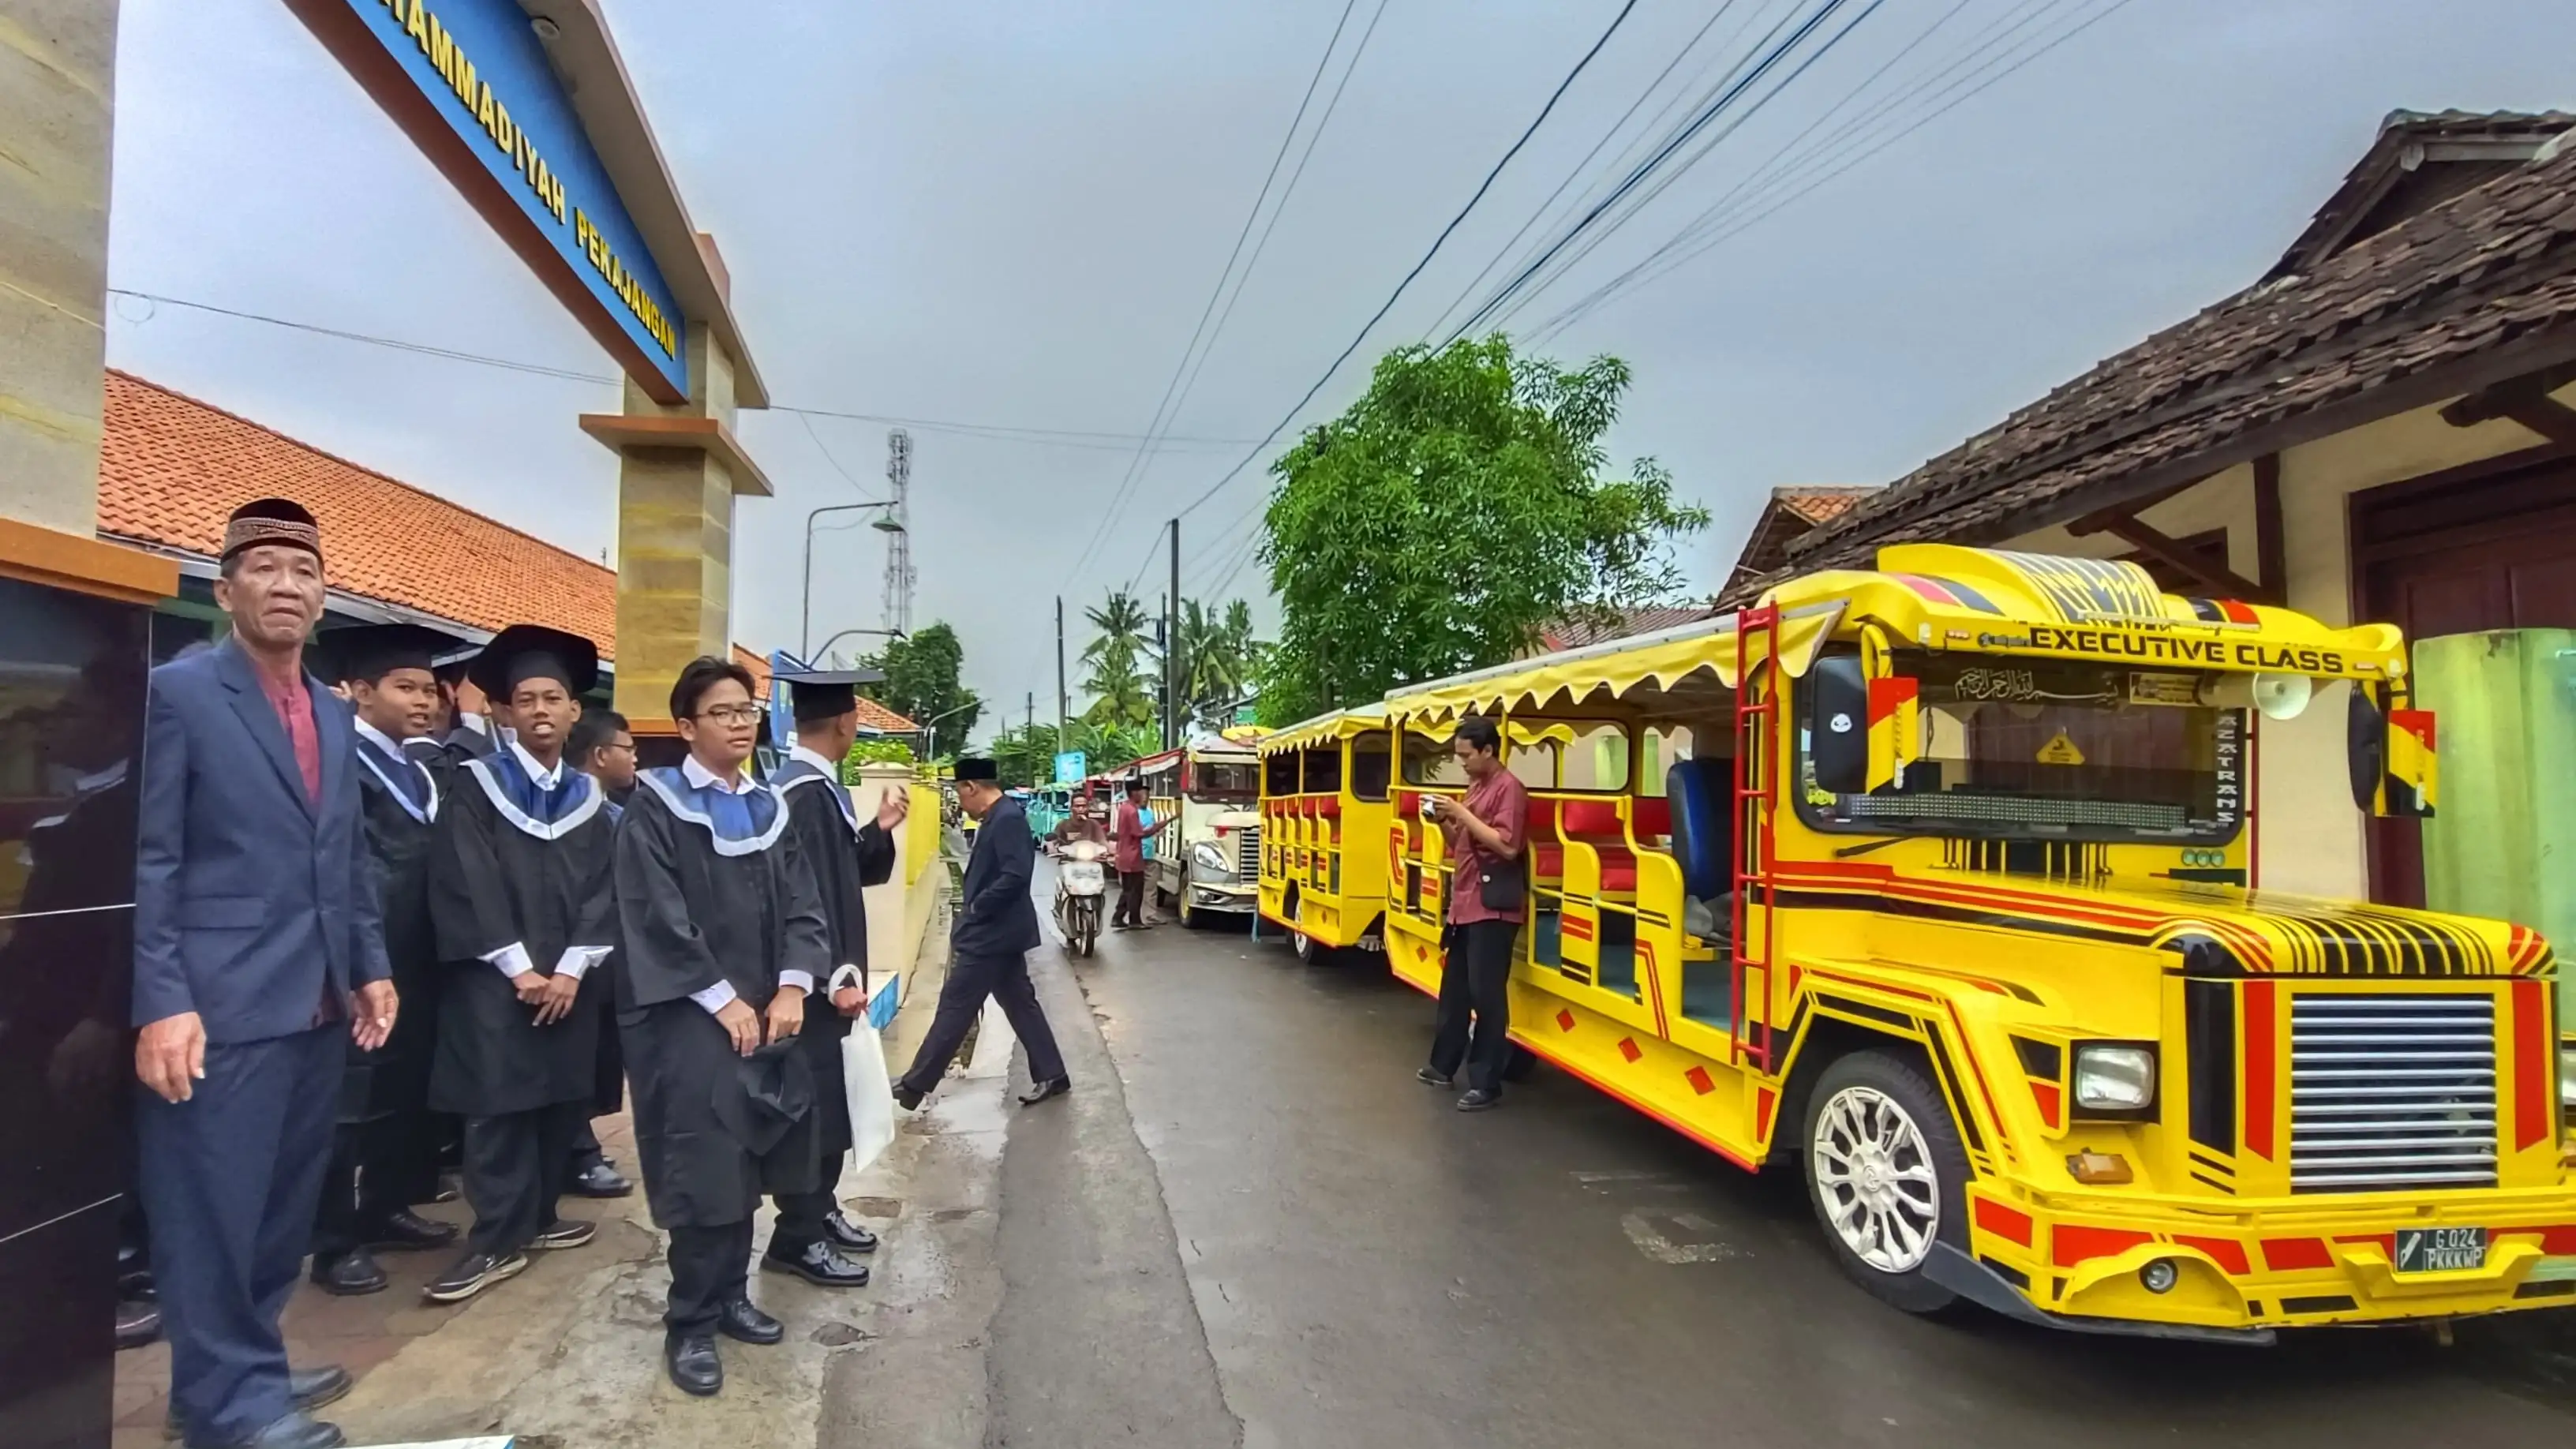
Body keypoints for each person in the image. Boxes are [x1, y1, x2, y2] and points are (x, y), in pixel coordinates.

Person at [133, 498, 397, 1449]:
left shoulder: (331, 711)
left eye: (304, 572)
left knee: (281, 1210)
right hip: (219, 1007)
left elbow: (346, 854)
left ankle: (243, 1370)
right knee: (213, 1214)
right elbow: (148, 861)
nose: (286, 586)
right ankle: (226, 1410)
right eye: (265, 569)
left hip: (317, 1001)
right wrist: (162, 1003)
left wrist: (369, 965)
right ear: (225, 589)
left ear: (323, 597)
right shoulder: (179, 693)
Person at [614, 656, 833, 1397]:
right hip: (689, 1020)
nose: (740, 724)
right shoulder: (656, 806)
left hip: (769, 1016)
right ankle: (691, 1321)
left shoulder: (769, 807)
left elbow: (805, 903)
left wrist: (794, 986)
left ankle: (733, 1296)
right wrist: (723, 1000)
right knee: (704, 1168)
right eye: (722, 712)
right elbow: (655, 915)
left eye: (747, 711)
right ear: (686, 727)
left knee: (751, 1160)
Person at [421, 626, 617, 1305]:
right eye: (526, 699)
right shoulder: (475, 786)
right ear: (505, 712)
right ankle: (496, 1239)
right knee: (498, 1106)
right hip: (495, 980)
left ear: (573, 712)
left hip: (570, 979)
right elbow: (465, 879)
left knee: (559, 1098)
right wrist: (521, 969)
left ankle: (538, 1217)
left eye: (552, 698)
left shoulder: (591, 798)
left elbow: (607, 888)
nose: (540, 710)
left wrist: (571, 969)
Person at [308, 627, 462, 1296]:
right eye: (406, 688)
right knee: (350, 1100)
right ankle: (333, 1241)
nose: (424, 701)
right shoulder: (340, 761)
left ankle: (384, 1207)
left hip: (416, 956)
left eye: (429, 689)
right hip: (360, 959)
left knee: (401, 1089)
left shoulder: (417, 769)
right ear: (361, 693)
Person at [764, 668, 908, 1288]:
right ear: (847, 724)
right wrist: (833, 980)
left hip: (826, 985)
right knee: (813, 1110)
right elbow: (809, 899)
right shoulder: (802, 795)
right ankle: (795, 1236)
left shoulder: (818, 790)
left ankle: (819, 1210)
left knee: (830, 1105)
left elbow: (846, 872)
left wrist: (879, 829)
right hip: (818, 989)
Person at [893, 758, 1069, 1111]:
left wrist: (977, 908)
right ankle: (1053, 1074)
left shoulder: (1007, 819)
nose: (961, 804)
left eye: (960, 794)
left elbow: (1016, 875)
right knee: (1020, 1004)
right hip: (1000, 933)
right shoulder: (998, 817)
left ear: (972, 787)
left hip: (992, 934)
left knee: (956, 1006)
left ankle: (915, 1086)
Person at [1418, 713, 1528, 1112]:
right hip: (1466, 902)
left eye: (1466, 755)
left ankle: (1486, 1082)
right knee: (1455, 991)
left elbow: (1508, 846)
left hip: (1493, 907)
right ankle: (1442, 1066)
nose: (1461, 762)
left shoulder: (1509, 789)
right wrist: (1443, 822)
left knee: (1487, 996)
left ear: (1488, 750)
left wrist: (1462, 814)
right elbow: (1461, 845)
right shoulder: (1477, 786)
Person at [560, 707, 639, 1201]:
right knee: (577, 1056)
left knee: (596, 1054)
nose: (635, 758)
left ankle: (580, 1144)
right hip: (576, 958)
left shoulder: (608, 808)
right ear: (600, 754)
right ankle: (576, 1152)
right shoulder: (582, 812)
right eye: (628, 749)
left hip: (605, 954)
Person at [1109, 778, 1174, 929]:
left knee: (1128, 890)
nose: (1143, 795)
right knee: (1135, 890)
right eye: (1141, 792)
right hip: (1133, 856)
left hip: (1124, 853)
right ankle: (1134, 921)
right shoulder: (1132, 811)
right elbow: (1139, 833)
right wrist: (1157, 827)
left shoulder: (1124, 808)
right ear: (1134, 793)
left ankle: (1118, 917)